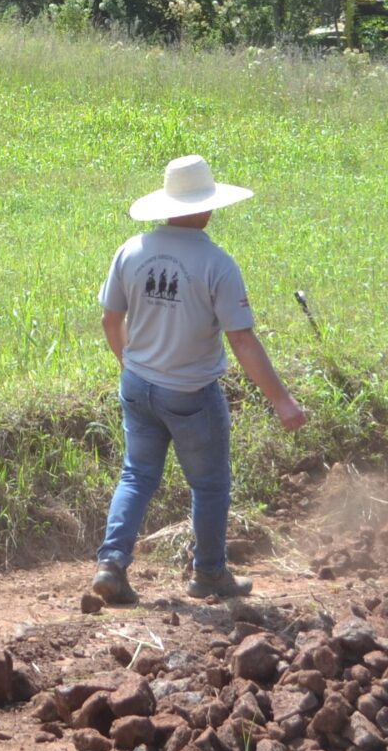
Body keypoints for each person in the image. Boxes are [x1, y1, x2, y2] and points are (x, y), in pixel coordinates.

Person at [93, 155, 307, 606]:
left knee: (136, 475)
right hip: (190, 393)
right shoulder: (217, 263)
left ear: (167, 204)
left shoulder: (131, 249)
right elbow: (242, 341)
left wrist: (129, 363)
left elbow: (112, 319)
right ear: (209, 206)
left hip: (137, 385)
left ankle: (111, 564)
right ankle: (209, 573)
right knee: (209, 484)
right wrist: (282, 400)